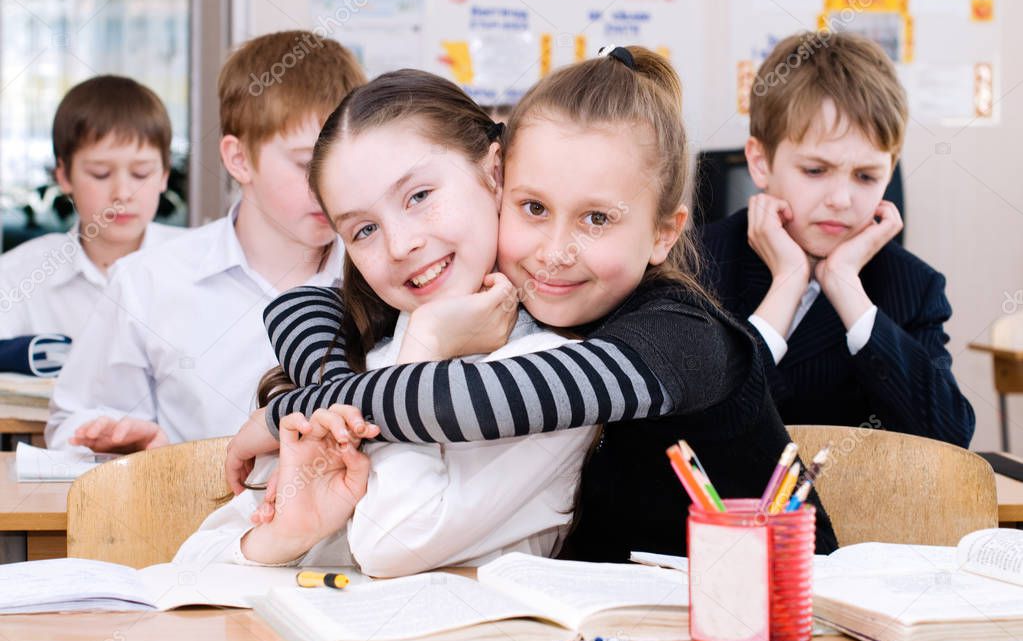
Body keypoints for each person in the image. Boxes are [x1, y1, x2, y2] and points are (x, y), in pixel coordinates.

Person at [228, 46, 838, 558]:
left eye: (596, 218)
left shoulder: (678, 339)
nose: (554, 251)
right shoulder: (506, 299)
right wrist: (326, 390)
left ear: (663, 233)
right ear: (499, 184)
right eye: (534, 208)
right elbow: (303, 305)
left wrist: (295, 409)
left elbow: (459, 403)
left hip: (779, 616)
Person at [175, 70, 595, 576]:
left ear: (494, 171)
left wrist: (427, 345)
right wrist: (284, 536)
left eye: (419, 196)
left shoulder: (551, 378)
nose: (400, 245)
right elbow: (193, 566)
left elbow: (393, 545)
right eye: (365, 229)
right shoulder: (350, 358)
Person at [45, 31, 365, 451]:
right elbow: (70, 422)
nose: (330, 185)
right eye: (307, 163)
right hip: (188, 515)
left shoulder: (383, 273)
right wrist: (133, 452)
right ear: (238, 159)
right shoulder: (148, 282)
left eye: (346, 162)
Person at [700, 31, 974, 447]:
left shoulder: (912, 286)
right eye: (815, 171)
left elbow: (949, 438)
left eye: (866, 176)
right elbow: (701, 429)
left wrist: (847, 289)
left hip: (862, 511)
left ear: (890, 169)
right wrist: (788, 283)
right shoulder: (698, 264)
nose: (842, 200)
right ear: (760, 162)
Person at [0, 76, 180, 375]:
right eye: (100, 173)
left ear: (163, 175)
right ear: (64, 176)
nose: (123, 193)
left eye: (141, 173)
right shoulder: (17, 275)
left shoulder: (201, 266)